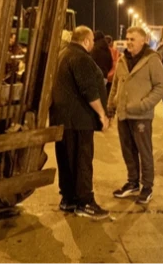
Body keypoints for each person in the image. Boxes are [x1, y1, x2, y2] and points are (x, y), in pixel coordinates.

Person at [50, 25, 111, 220]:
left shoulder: (63, 54)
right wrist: (102, 114)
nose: (93, 44)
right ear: (85, 40)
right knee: (82, 161)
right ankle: (85, 202)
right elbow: (89, 90)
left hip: (63, 119)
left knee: (67, 160)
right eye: (92, 41)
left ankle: (68, 198)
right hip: (79, 120)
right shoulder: (80, 58)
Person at [107, 26, 163, 205]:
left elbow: (161, 87)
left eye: (133, 39)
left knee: (144, 152)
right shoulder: (122, 60)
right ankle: (132, 182)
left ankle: (146, 187)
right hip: (123, 114)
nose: (129, 42)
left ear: (143, 41)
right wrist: (111, 106)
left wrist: (144, 105)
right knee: (128, 151)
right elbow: (115, 86)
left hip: (141, 116)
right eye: (127, 38)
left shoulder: (152, 60)